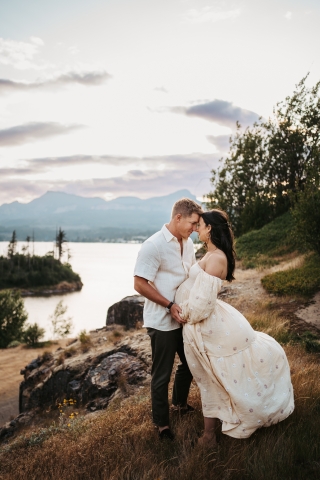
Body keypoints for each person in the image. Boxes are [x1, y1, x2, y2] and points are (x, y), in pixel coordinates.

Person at [175, 209, 294, 447]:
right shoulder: (210, 253)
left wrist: (181, 312)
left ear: (210, 229)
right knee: (210, 379)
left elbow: (202, 307)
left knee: (214, 378)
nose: (197, 228)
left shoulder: (217, 257)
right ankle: (210, 434)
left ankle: (210, 436)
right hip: (200, 327)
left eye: (201, 225)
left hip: (206, 326)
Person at [134, 198, 203, 440]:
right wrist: (169, 305)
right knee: (162, 375)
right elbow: (140, 283)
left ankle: (179, 404)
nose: (195, 229)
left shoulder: (189, 244)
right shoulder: (153, 245)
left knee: (191, 363)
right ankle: (162, 424)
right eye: (192, 224)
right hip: (162, 322)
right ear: (178, 218)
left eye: (197, 225)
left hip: (184, 318)